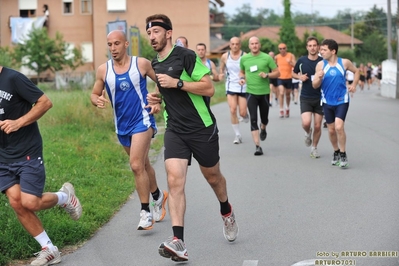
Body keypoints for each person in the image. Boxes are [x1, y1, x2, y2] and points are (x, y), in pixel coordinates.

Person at [145, 14, 239, 262]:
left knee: (213, 177)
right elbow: (162, 90)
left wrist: (177, 84)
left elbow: (208, 88)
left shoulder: (186, 56)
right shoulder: (155, 64)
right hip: (175, 130)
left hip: (201, 128)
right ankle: (179, 241)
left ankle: (226, 210)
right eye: (148, 33)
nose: (151, 36)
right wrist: (157, 100)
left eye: (155, 31)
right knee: (175, 181)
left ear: (168, 33)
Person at [0, 66, 82, 266]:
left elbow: (45, 102)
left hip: (27, 151)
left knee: (29, 202)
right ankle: (49, 249)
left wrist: (19, 122)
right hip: (3, 157)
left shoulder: (13, 79)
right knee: (16, 202)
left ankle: (64, 197)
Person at [90, 30, 168, 230]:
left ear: (126, 44)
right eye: (109, 44)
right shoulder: (103, 70)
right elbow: (94, 93)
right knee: (143, 164)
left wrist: (157, 99)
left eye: (116, 43)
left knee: (135, 165)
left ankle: (145, 212)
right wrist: (96, 99)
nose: (113, 48)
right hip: (121, 126)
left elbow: (161, 81)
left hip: (142, 121)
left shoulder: (140, 64)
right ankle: (158, 196)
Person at [312, 39, 359, 168]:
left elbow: (357, 71)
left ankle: (343, 154)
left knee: (339, 127)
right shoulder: (320, 65)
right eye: (320, 49)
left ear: (333, 51)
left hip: (342, 100)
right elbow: (314, 85)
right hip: (327, 101)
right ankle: (336, 151)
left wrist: (354, 85)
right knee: (331, 130)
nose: (320, 52)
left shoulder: (344, 62)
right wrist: (319, 78)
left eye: (324, 50)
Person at [239, 36, 279, 156]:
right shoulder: (244, 58)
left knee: (264, 118)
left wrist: (267, 75)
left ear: (259, 45)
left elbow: (277, 72)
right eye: (252, 44)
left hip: (264, 93)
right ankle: (257, 146)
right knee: (253, 119)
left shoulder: (266, 58)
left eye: (256, 43)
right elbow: (241, 71)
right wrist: (241, 78)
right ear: (249, 46)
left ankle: (263, 127)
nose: (254, 45)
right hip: (251, 92)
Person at [292, 36, 324, 159]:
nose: (312, 48)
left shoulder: (322, 62)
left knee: (317, 125)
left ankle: (314, 148)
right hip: (306, 96)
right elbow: (293, 73)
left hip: (320, 97)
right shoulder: (301, 60)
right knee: (306, 123)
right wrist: (299, 77)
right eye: (310, 46)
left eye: (314, 45)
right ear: (307, 47)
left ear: (318, 47)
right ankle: (307, 132)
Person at [218, 36, 248, 144]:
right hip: (230, 85)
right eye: (233, 44)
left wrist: (244, 78)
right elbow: (222, 67)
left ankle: (245, 115)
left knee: (243, 112)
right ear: (230, 45)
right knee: (233, 110)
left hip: (243, 85)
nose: (235, 46)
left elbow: (248, 70)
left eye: (237, 44)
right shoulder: (225, 56)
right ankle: (237, 135)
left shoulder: (245, 56)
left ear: (240, 45)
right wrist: (221, 73)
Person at [275, 43, 296, 118]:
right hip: (280, 77)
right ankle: (281, 110)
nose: (282, 50)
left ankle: (287, 107)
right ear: (279, 49)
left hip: (289, 77)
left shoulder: (290, 55)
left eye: (284, 48)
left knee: (287, 94)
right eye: (280, 49)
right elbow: (273, 67)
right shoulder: (277, 57)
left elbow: (295, 65)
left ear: (286, 48)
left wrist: (290, 62)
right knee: (281, 92)